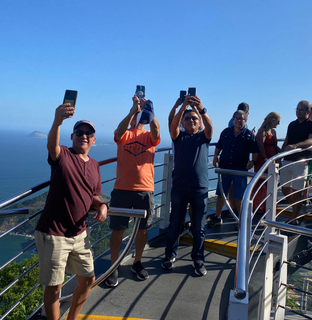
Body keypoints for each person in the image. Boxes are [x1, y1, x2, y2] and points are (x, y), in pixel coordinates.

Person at [34, 104, 108, 320]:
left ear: (93, 140)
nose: (84, 136)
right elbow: (52, 146)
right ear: (73, 136)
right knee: (55, 287)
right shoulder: (63, 154)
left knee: (88, 279)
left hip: (79, 233)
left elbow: (94, 195)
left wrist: (103, 205)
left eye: (88, 133)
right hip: (54, 233)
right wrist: (57, 121)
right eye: (79, 132)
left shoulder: (94, 165)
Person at [106, 94, 160, 287]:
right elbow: (119, 132)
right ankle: (113, 266)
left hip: (145, 189)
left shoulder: (149, 136)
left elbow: (156, 131)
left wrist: (150, 112)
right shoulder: (124, 134)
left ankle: (137, 262)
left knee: (143, 230)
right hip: (121, 188)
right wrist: (132, 110)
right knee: (117, 230)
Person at [162, 94, 212, 276]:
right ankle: (169, 256)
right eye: (188, 118)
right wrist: (183, 106)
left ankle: (198, 260)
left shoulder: (203, 137)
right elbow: (173, 126)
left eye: (194, 119)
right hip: (180, 187)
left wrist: (201, 109)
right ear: (183, 122)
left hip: (200, 188)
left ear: (199, 123)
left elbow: (210, 127)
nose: (191, 120)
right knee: (175, 223)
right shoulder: (178, 137)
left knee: (199, 227)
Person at [208, 110, 259, 227]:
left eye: (241, 119)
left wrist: (253, 161)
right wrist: (215, 157)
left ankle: (241, 221)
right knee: (221, 194)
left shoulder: (249, 135)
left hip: (240, 170)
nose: (238, 121)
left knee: (239, 197)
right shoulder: (225, 132)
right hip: (224, 168)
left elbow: (256, 150)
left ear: (245, 121)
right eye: (236, 118)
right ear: (233, 119)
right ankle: (217, 216)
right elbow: (218, 146)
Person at [280, 100, 312, 222]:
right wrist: (280, 155)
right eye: (297, 109)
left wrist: (296, 146)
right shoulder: (291, 124)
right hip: (287, 159)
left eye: (301, 110)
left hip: (301, 161)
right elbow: (287, 140)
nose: (298, 112)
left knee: (298, 191)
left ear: (307, 111)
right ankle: (297, 208)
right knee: (285, 188)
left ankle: (294, 217)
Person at [252, 112, 281, 213]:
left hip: (272, 159)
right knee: (261, 182)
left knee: (271, 182)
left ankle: (269, 204)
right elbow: (261, 146)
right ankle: (259, 206)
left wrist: (281, 153)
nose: (278, 124)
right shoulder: (262, 131)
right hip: (263, 161)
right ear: (272, 120)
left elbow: (274, 145)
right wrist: (266, 159)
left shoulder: (273, 132)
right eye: (278, 122)